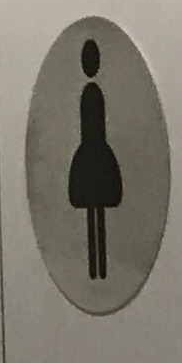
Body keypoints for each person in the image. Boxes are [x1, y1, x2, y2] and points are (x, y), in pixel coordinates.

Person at [66, 37, 125, 282]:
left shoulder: (89, 93)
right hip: (97, 155)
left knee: (94, 217)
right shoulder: (94, 93)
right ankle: (99, 269)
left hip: (90, 155)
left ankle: (96, 269)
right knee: (97, 217)